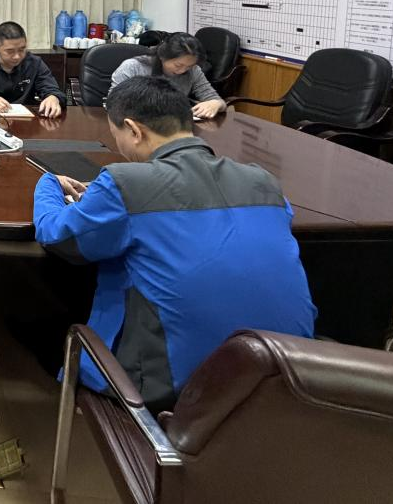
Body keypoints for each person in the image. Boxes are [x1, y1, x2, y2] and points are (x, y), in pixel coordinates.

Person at [32, 77, 315, 410]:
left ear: (133, 130)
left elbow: (58, 236)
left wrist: (48, 184)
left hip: (176, 392)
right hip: (291, 376)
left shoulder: (125, 183)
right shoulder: (263, 181)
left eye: (116, 134)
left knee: (38, 333)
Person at [110, 31, 226, 119]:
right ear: (162, 56)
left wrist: (215, 103)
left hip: (173, 127)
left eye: (189, 66)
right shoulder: (133, 67)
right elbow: (114, 102)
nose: (183, 70)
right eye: (178, 65)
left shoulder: (194, 71)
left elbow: (218, 101)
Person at [0, 21, 65, 118]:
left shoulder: (34, 63)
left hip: (27, 122)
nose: (17, 56)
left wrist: (54, 97)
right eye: (10, 51)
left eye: (22, 49)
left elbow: (53, 90)